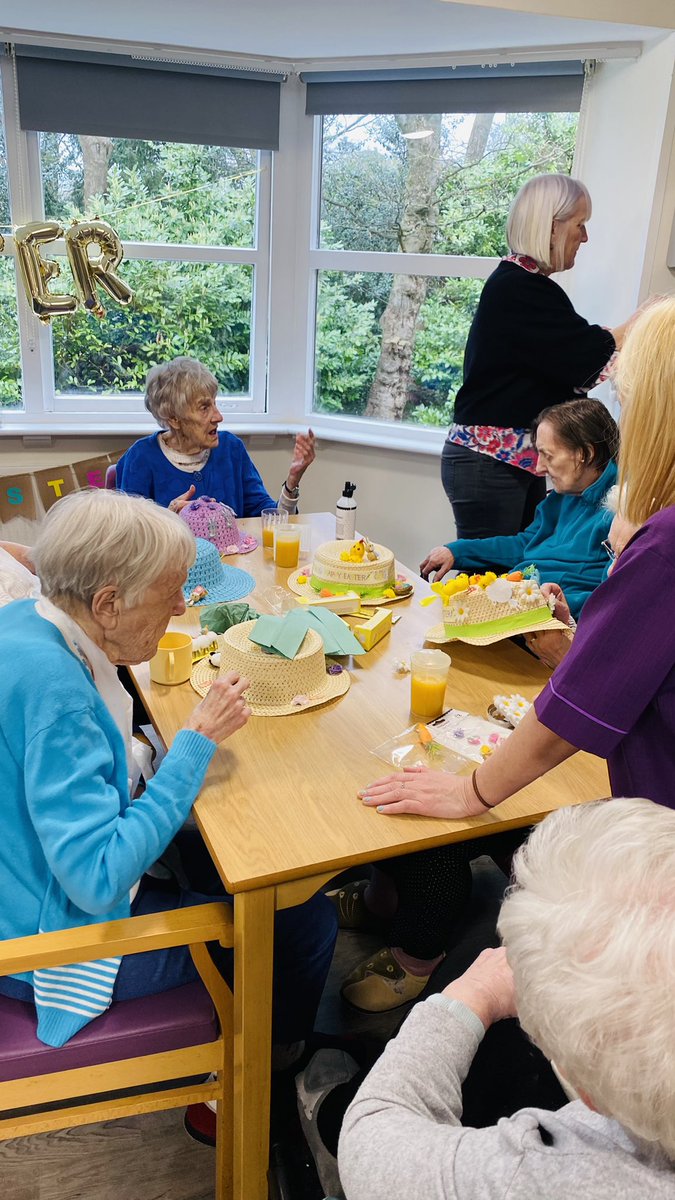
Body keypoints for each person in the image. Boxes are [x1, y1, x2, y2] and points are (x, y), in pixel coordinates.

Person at [0, 489, 337, 1061]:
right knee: (304, 921)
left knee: (211, 857)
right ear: (107, 604)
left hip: (22, 885)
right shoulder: (58, 695)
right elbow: (97, 879)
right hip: (46, 943)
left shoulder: (25, 620)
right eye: (170, 592)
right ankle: (268, 1075)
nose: (181, 606)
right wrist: (192, 746)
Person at [360, 296, 675, 820]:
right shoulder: (595, 511)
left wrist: (470, 793)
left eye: (628, 401)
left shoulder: (657, 539)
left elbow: (584, 696)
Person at [338, 798, 675, 1200]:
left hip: (396, 1123)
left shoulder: (549, 1172)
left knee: (471, 963)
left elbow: (372, 1148)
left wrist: (472, 994)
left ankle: (321, 1104)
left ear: (586, 1093)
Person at [443, 172, 641, 541]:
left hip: (514, 460)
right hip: (491, 462)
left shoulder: (526, 286)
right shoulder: (518, 288)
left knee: (518, 572)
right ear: (552, 227)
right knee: (488, 579)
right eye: (580, 225)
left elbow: (573, 353)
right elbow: (582, 357)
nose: (585, 237)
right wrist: (640, 323)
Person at [422, 397, 619, 621]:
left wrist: (541, 603)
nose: (539, 467)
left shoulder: (620, 510)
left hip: (552, 619)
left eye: (549, 456)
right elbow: (525, 544)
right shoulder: (564, 494)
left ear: (586, 454)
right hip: (519, 601)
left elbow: (607, 598)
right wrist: (457, 551)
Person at [117, 356, 316, 515]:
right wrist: (171, 519)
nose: (218, 416)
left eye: (215, 403)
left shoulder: (231, 449)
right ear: (174, 419)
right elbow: (132, 541)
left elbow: (270, 520)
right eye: (204, 407)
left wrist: (292, 481)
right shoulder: (141, 458)